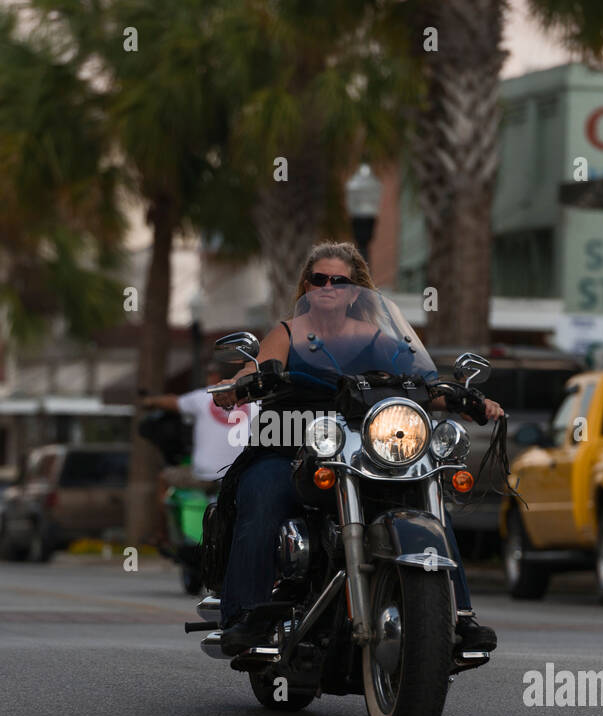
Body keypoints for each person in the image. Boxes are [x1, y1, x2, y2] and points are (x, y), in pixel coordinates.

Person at [212, 241, 501, 656]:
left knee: (424, 499)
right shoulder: (288, 332)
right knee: (261, 493)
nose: (328, 287)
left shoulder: (379, 339)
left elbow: (422, 384)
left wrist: (466, 400)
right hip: (292, 448)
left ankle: (457, 615)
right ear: (307, 285)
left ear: (354, 290)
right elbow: (254, 368)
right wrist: (237, 385)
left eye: (339, 281)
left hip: (364, 451)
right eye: (319, 279)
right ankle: (245, 614)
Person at [141, 362, 245, 491]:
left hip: (205, 475)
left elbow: (173, 402)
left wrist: (150, 401)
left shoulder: (204, 396)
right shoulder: (251, 397)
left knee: (163, 478)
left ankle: (164, 511)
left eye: (209, 374)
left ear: (215, 376)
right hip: (241, 474)